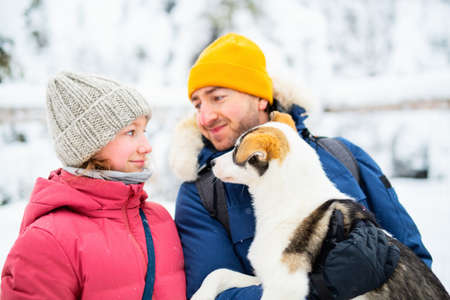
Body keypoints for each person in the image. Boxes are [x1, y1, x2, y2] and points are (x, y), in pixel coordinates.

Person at [170, 33, 432, 299]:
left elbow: (415, 260)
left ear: (260, 98)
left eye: (218, 98)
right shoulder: (202, 194)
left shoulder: (342, 156)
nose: (205, 116)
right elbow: (217, 296)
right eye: (197, 103)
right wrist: (318, 289)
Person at [1, 72, 186, 300]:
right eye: (131, 132)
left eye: (144, 131)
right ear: (89, 145)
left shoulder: (160, 219)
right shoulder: (47, 240)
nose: (146, 146)